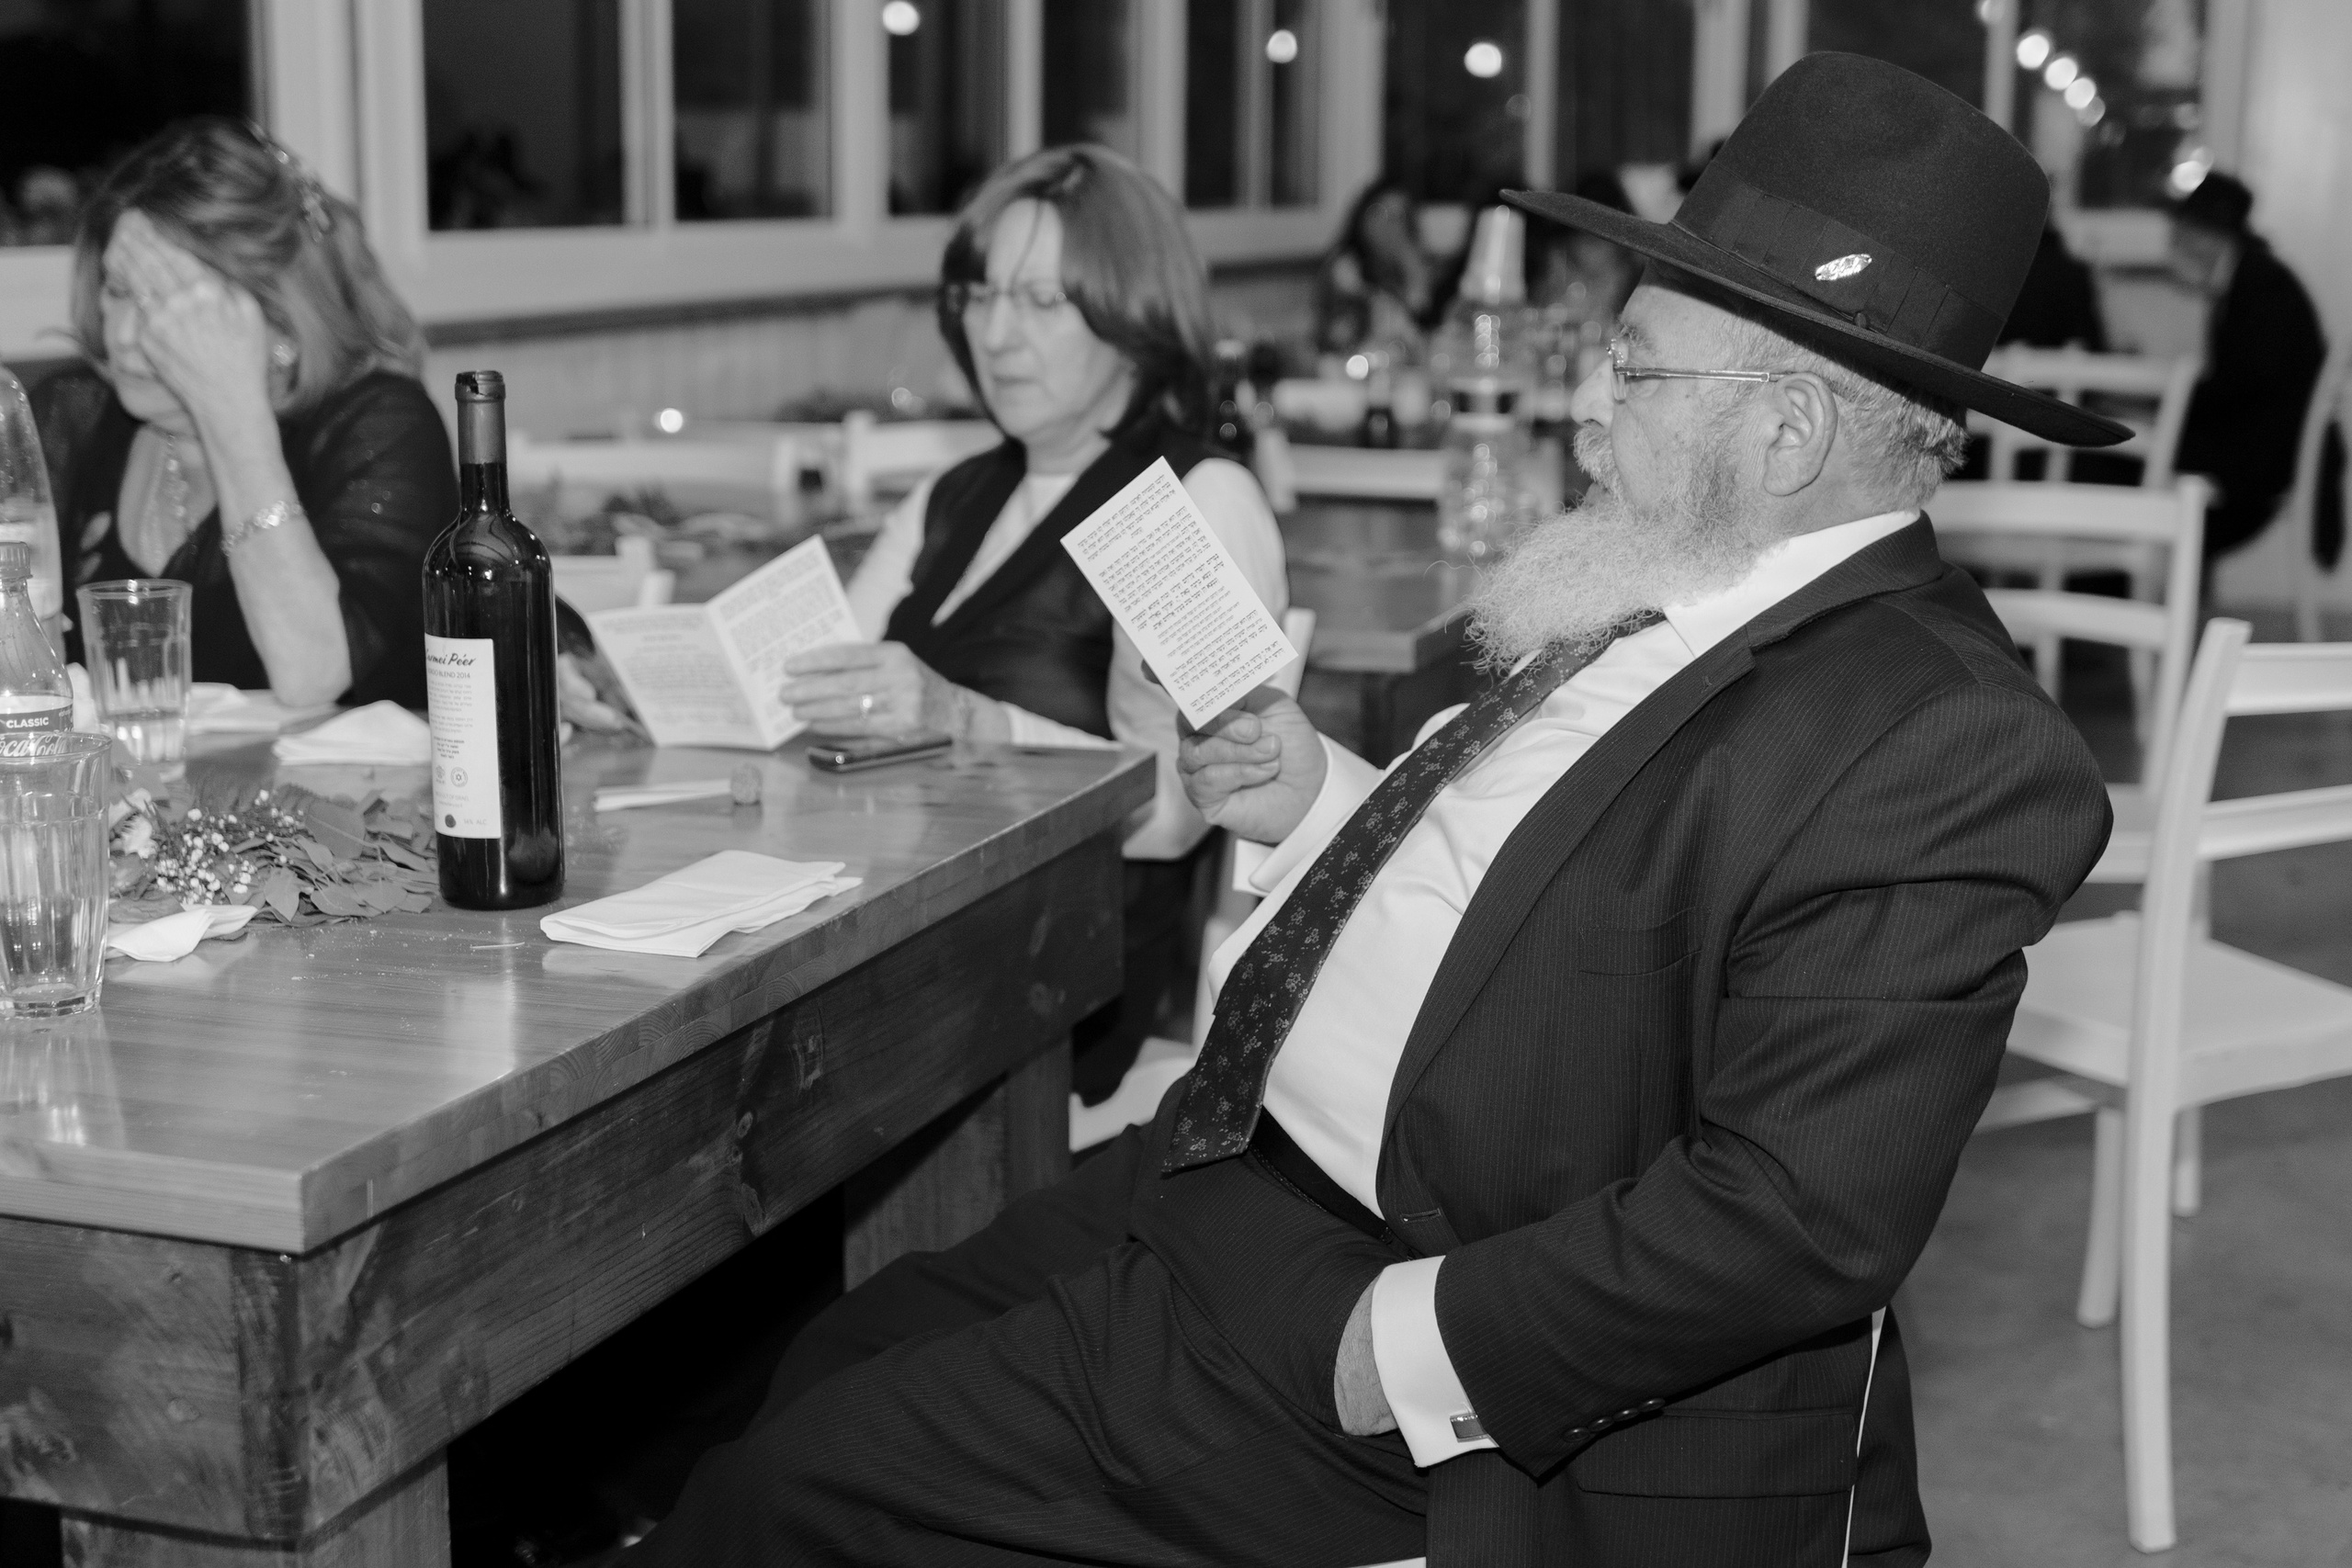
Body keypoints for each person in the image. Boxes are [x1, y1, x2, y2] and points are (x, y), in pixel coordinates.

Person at [623, 55, 2120, 1566]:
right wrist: (1320, 792)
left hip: (1375, 1296)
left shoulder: (1939, 741)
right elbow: (1515, 883)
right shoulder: (1667, 572)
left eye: (1634, 373)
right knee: (824, 1361)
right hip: (1220, 1166)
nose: (1590, 417)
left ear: (1789, 431)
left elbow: (1796, 1220)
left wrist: (1385, 1350)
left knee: (783, 1500)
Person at [775, 145, 1288, 1107]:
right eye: (979, 295)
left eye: (1042, 303)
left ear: (1134, 319)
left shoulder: (1194, 501)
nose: (995, 335)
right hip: (900, 923)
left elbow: (1182, 818)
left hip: (1056, 981)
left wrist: (962, 718)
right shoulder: (949, 494)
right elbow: (805, 692)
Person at [35, 118, 453, 708]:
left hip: (345, 798)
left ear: (278, 319)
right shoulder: (71, 414)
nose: (125, 337)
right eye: (118, 291)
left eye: (170, 303)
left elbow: (313, 673)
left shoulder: (381, 424)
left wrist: (229, 408)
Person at [2167, 171, 2329, 564]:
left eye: (2184, 229)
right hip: (2259, 451)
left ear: (2208, 235)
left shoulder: (2261, 287)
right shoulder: (2251, 279)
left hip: (2260, 467)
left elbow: (2244, 385)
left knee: (2135, 468)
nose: (2175, 240)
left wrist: (2174, 401)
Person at [1315, 176, 1439, 356]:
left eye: (1398, 217)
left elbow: (1423, 325)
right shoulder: (1345, 266)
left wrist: (1414, 272)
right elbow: (1347, 333)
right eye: (1380, 212)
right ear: (1363, 217)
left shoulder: (1408, 266)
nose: (1388, 225)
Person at [1999, 221, 2107, 351]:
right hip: (2061, 364)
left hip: (2005, 362)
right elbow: (2092, 340)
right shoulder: (2072, 272)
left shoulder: (2002, 274)